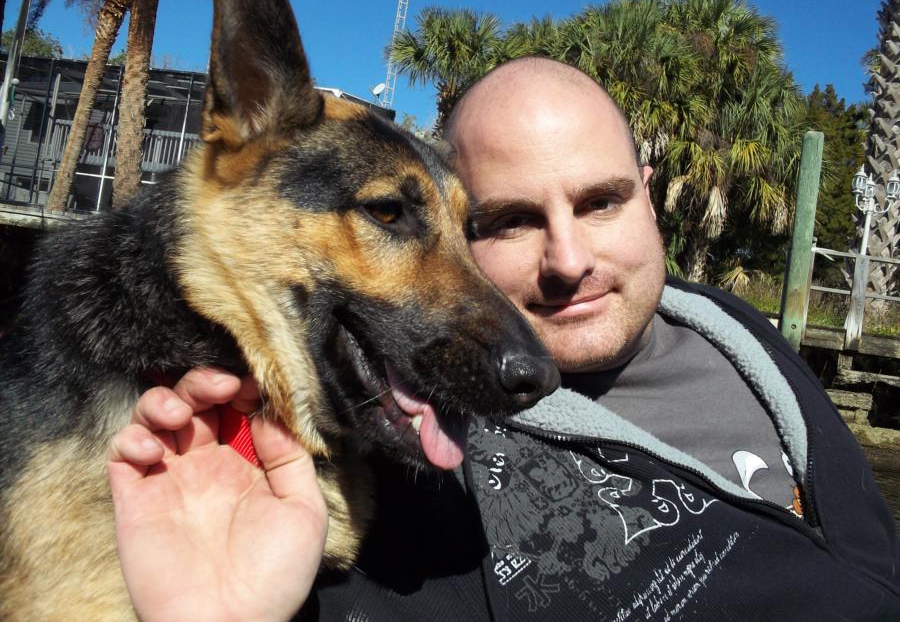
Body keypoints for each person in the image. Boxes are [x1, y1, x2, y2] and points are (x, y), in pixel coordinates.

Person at [109, 57, 900, 621]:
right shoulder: (420, 457)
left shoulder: (739, 329)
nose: (570, 260)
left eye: (601, 202)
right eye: (512, 220)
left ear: (648, 200)